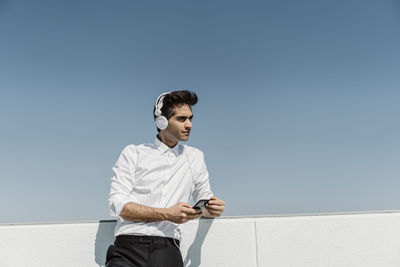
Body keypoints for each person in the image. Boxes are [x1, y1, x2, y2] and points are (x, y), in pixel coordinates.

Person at [106, 90, 225, 267]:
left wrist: (211, 209)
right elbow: (119, 205)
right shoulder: (133, 153)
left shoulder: (194, 157)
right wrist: (166, 214)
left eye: (190, 118)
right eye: (181, 119)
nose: (189, 124)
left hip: (168, 250)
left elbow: (203, 200)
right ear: (161, 121)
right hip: (127, 249)